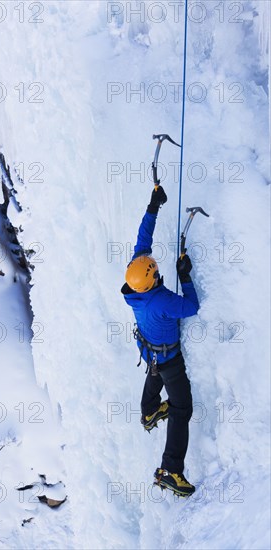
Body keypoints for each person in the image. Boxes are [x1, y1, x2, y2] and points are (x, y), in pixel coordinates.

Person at [121, 185, 200, 496]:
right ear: (152, 278)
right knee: (182, 409)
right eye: (155, 269)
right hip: (169, 361)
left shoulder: (134, 284)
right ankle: (171, 470)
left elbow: (143, 241)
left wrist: (153, 206)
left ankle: (150, 410)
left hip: (151, 352)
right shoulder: (163, 300)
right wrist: (185, 275)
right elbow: (192, 307)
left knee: (154, 371)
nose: (154, 265)